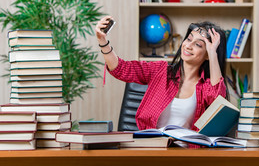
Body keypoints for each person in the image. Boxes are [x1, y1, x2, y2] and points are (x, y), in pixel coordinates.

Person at [95, 16, 227, 132]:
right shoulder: (160, 70)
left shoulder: (205, 86)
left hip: (185, 153)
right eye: (188, 39)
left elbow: (218, 101)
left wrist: (212, 53)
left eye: (198, 44)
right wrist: (102, 41)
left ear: (208, 54)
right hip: (153, 148)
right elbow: (121, 69)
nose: (188, 46)